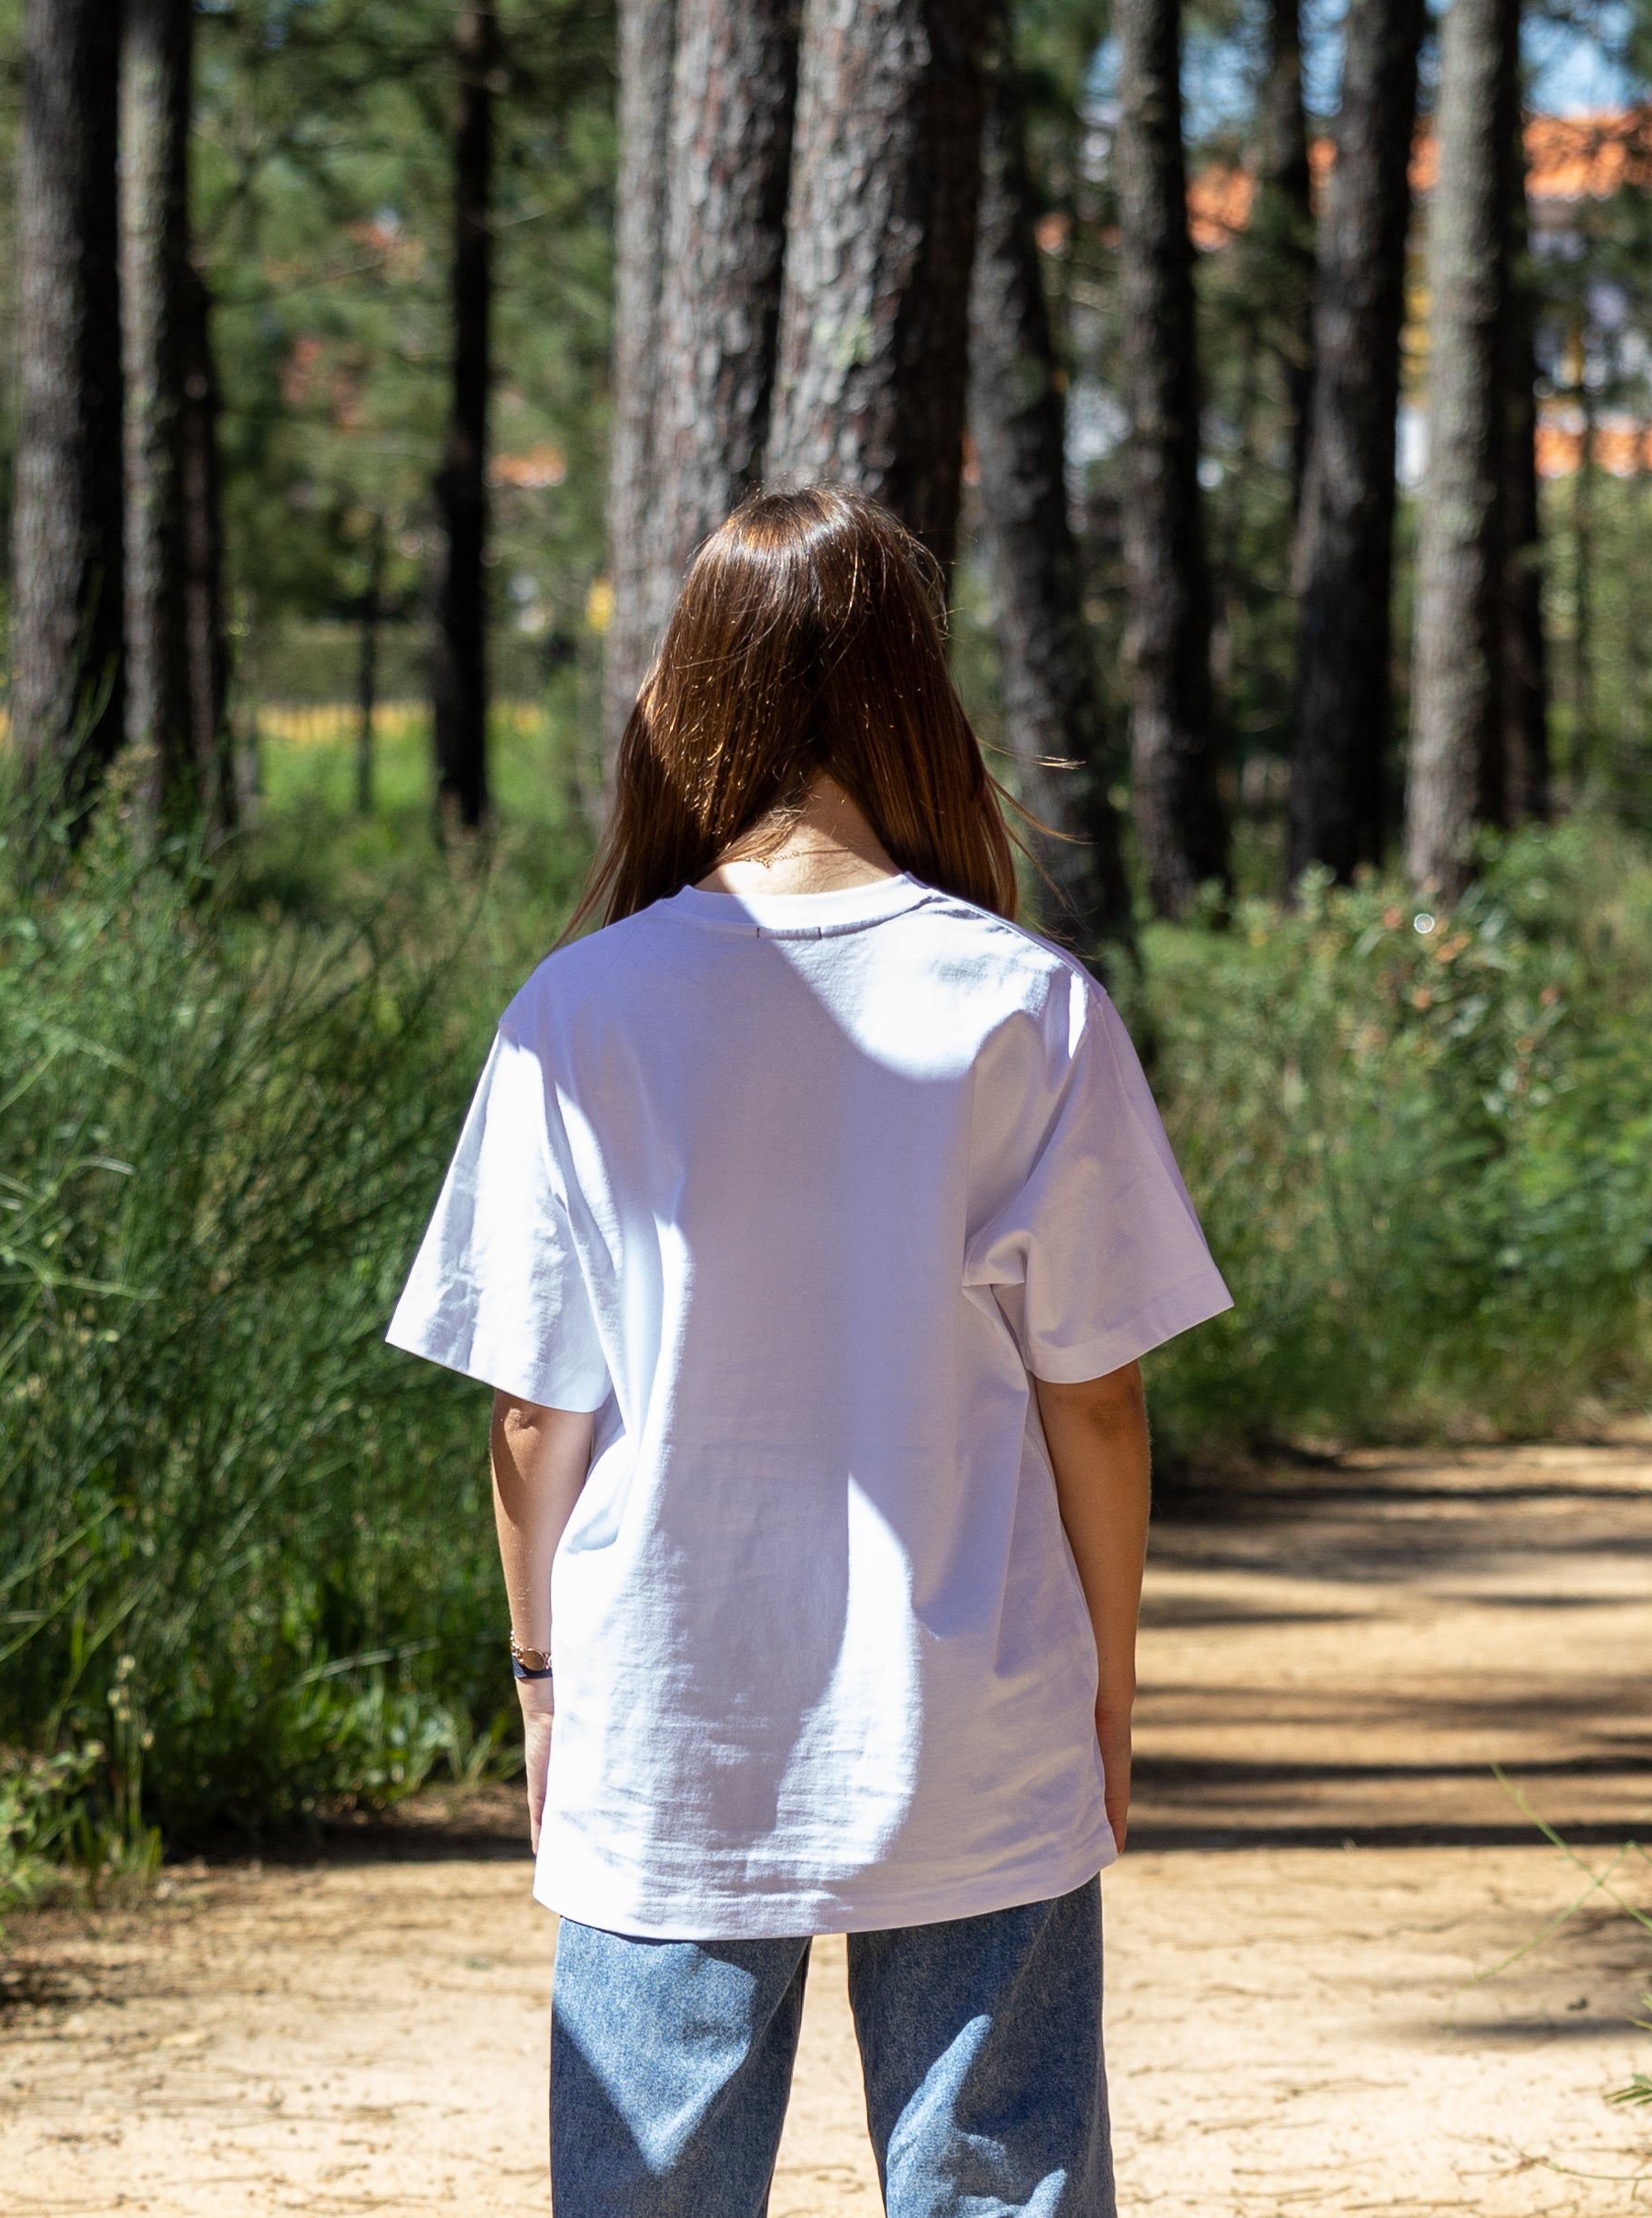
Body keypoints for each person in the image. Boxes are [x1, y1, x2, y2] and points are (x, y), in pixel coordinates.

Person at [389, 486, 1230, 2215]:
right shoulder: (1026, 1005)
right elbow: (1100, 1396)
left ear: (686, 696)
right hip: (972, 1709)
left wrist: (546, 1693)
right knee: (996, 2173)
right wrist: (1109, 1685)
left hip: (668, 1715)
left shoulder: (581, 1011)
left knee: (651, 2183)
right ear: (919, 696)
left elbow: (536, 1415)